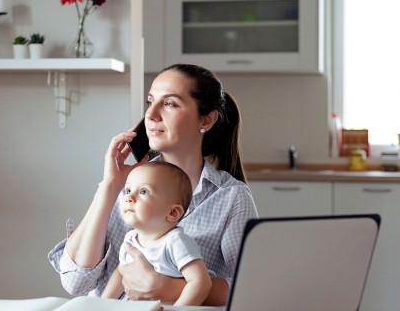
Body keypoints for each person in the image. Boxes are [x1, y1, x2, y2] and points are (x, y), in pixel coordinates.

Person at [47, 63, 258, 305]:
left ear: (207, 120)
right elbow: (75, 282)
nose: (151, 114)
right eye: (150, 102)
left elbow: (248, 288)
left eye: (169, 103)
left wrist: (165, 287)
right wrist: (110, 186)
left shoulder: (230, 198)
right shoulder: (125, 187)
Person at [101, 161, 212, 305]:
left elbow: (201, 283)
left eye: (143, 192)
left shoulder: (176, 242)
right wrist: (102, 304)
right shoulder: (131, 239)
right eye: (128, 190)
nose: (129, 198)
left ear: (173, 212)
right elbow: (122, 271)